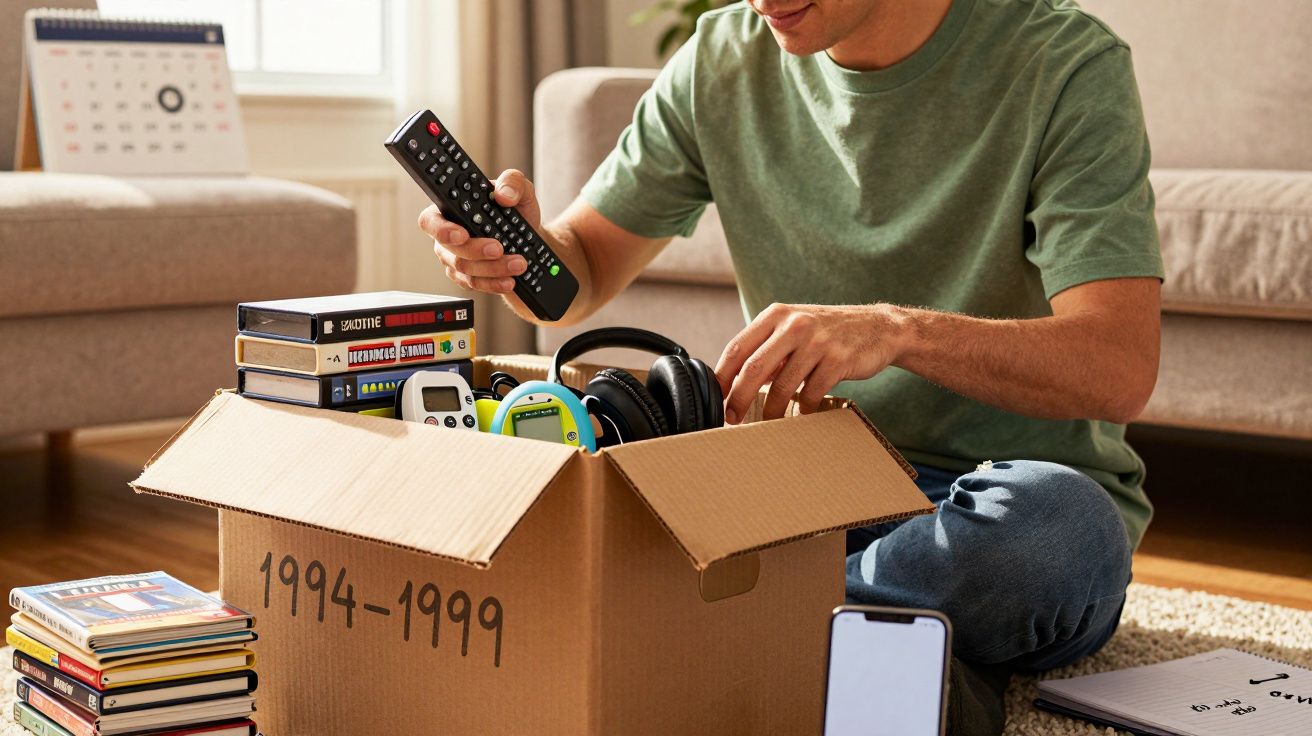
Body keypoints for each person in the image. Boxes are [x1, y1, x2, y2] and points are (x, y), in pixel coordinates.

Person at [418, 0, 1163, 732]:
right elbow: (581, 271)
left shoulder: (1064, 64)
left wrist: (897, 332)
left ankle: (723, 624)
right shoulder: (721, 59)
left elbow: (1119, 364)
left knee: (1055, 530)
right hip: (795, 489)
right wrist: (513, 258)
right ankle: (870, 651)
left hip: (993, 512)